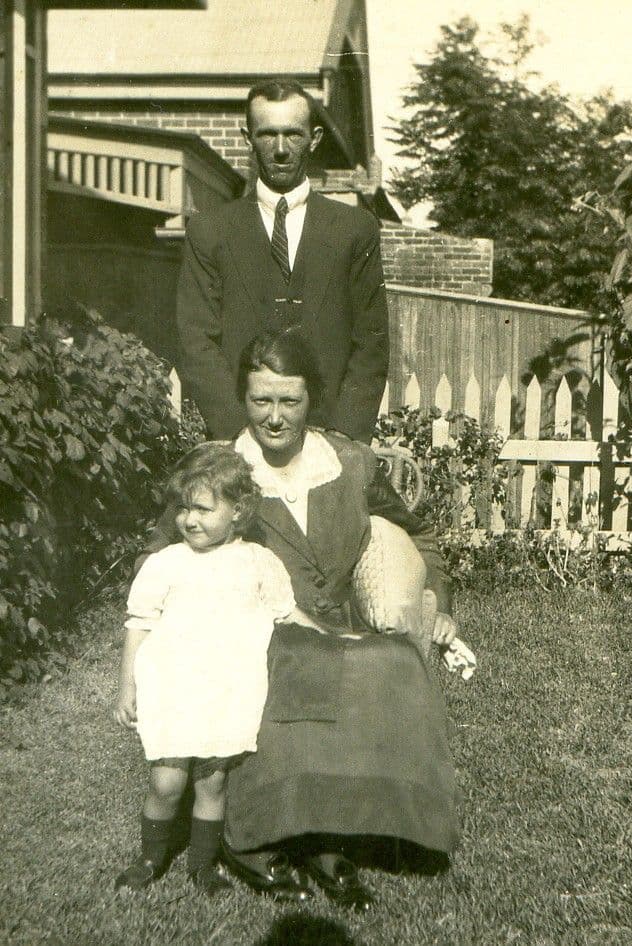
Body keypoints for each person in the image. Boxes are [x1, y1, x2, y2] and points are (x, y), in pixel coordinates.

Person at [141, 327, 461, 911]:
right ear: (243, 399)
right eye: (261, 400)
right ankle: (262, 838)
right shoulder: (218, 470)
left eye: (290, 401)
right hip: (249, 634)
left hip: (333, 623)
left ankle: (352, 828)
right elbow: (159, 553)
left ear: (312, 399)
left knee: (391, 664)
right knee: (283, 675)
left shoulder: (349, 464)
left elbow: (420, 534)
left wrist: (437, 601)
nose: (275, 417)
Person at [112, 447, 300, 896]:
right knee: (167, 780)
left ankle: (203, 864)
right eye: (183, 508)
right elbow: (138, 625)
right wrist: (127, 688)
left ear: (238, 511)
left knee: (212, 780)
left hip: (228, 689)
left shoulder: (258, 562)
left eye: (202, 508)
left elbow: (287, 615)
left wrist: (333, 638)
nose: (189, 520)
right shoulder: (166, 563)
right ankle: (150, 857)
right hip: (173, 688)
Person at [176, 77, 389, 444]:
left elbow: (371, 342)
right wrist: (237, 435)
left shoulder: (354, 229)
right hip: (239, 446)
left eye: (293, 134)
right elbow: (196, 340)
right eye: (267, 134)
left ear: (314, 139)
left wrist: (344, 438)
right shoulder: (210, 230)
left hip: (330, 446)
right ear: (248, 139)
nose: (280, 149)